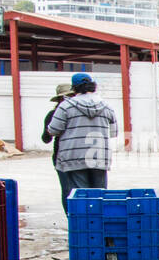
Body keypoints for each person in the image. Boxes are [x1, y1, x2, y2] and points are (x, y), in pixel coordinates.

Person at [46, 72, 118, 213]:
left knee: (81, 198)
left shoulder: (66, 106)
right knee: (99, 196)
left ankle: (84, 231)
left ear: (74, 88)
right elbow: (113, 133)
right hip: (99, 157)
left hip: (74, 157)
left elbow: (53, 130)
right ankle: (99, 229)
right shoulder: (106, 105)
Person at [41, 81, 75, 169]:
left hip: (74, 156)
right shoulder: (52, 115)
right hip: (62, 157)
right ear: (60, 99)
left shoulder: (79, 113)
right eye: (67, 97)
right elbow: (46, 139)